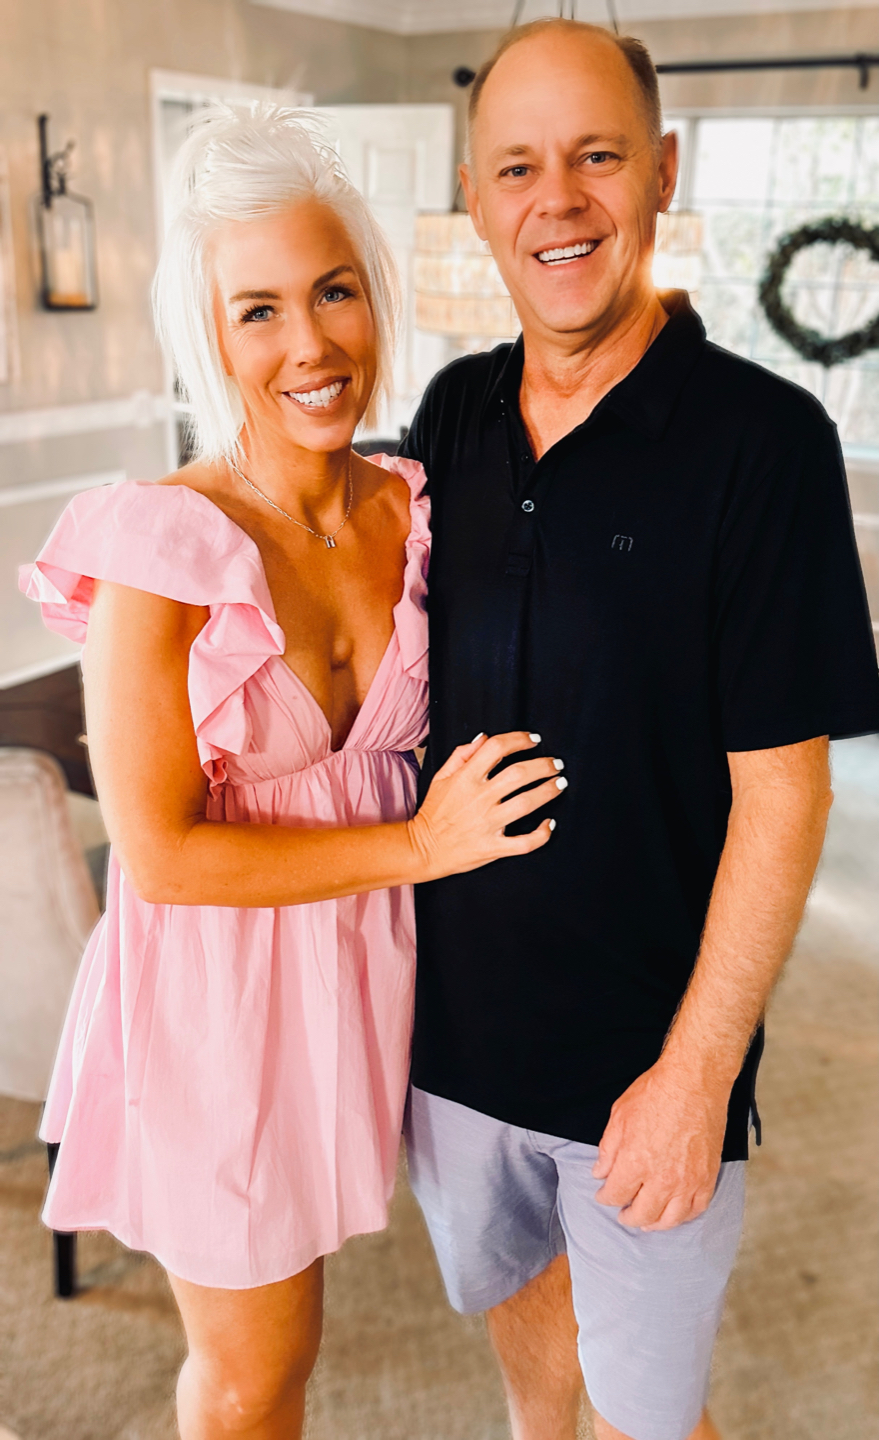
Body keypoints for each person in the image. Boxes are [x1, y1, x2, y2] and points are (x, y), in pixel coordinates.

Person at [20, 106, 564, 1440]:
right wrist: (421, 846)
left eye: (332, 291)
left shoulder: (418, 511)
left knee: (346, 1335)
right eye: (257, 311)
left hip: (371, 976)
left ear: (373, 298)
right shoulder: (160, 546)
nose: (310, 344)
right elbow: (163, 856)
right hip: (215, 1003)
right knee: (256, 1376)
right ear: (210, 337)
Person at [400, 20, 879, 1440]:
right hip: (456, 1047)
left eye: (596, 157)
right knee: (536, 1380)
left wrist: (697, 1073)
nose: (557, 201)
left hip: (645, 1062)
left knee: (646, 1422)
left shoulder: (767, 442)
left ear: (662, 171)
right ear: (475, 197)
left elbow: (786, 797)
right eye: (517, 167)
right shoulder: (452, 412)